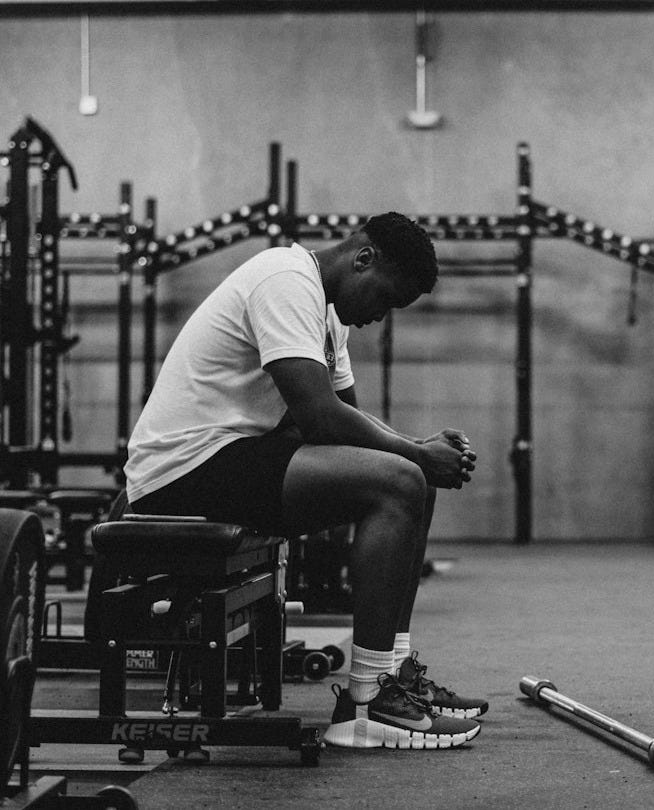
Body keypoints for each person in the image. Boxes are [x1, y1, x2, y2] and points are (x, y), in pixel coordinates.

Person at [124, 212, 486, 749]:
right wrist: (415, 454)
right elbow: (320, 418)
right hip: (183, 467)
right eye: (385, 301)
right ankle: (367, 705)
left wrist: (421, 451)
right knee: (401, 480)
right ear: (364, 260)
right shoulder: (284, 281)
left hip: (235, 455)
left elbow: (350, 423)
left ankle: (393, 672)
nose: (380, 318)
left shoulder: (328, 313)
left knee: (412, 480)